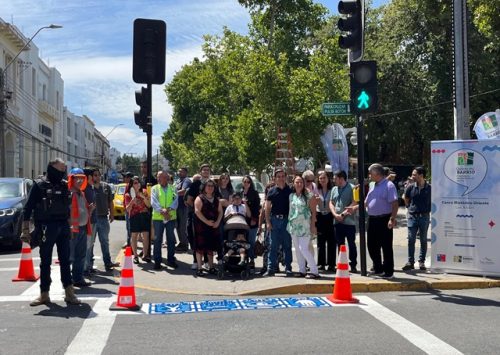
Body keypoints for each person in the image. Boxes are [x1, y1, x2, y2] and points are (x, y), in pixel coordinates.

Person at [21, 158, 80, 306]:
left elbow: (69, 209)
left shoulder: (65, 185)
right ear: (51, 168)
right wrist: (25, 230)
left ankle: (69, 293)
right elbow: (27, 208)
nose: (62, 173)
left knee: (66, 261)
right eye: (60, 170)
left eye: (64, 170)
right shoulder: (39, 186)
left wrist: (72, 226)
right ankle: (44, 294)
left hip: (63, 227)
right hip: (46, 227)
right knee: (45, 262)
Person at [362, 163, 399, 279]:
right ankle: (378, 268)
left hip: (384, 219)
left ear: (377, 174)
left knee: (386, 246)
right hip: (372, 219)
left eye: (370, 173)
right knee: (372, 245)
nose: (369, 175)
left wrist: (392, 218)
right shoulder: (373, 185)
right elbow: (366, 202)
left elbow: (395, 204)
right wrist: (353, 208)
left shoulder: (389, 186)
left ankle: (388, 271)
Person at [87, 169, 119, 272]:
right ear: (91, 177)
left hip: (103, 218)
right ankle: (89, 265)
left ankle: (107, 263)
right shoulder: (88, 188)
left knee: (105, 242)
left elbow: (110, 202)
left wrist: (112, 214)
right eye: (95, 175)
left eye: (99, 175)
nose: (97, 177)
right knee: (90, 243)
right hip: (92, 219)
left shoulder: (106, 187)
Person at [287, 175, 318, 278]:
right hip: (294, 226)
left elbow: (314, 212)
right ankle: (302, 270)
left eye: (301, 182)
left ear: (303, 183)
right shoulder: (291, 196)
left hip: (305, 226)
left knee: (303, 248)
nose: (299, 184)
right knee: (297, 249)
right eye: (297, 182)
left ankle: (314, 271)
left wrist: (313, 225)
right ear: (294, 183)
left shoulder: (309, 195)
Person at [264, 168, 293, 277]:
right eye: (278, 176)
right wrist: (267, 222)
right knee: (273, 245)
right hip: (274, 220)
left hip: (286, 220)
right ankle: (270, 268)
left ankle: (288, 268)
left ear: (285, 177)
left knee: (287, 245)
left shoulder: (290, 191)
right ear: (275, 178)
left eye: (282, 176)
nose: (281, 178)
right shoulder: (271, 191)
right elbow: (267, 208)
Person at [402, 166, 431, 271]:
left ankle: (421, 262)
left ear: (421, 176)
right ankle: (410, 262)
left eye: (414, 174)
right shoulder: (410, 187)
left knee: (423, 240)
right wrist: (408, 208)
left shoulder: (430, 188)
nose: (412, 176)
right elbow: (406, 198)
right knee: (411, 240)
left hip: (424, 217)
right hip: (412, 217)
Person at [68, 168, 94, 288]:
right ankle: (68, 281)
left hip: (82, 228)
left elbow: (82, 210)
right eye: (76, 178)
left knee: (81, 255)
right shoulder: (69, 194)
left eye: (81, 178)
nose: (79, 180)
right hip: (72, 231)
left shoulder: (81, 193)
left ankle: (78, 278)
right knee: (70, 256)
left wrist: (90, 209)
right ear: (71, 179)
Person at [193, 179, 223, 276]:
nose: (210, 187)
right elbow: (197, 211)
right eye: (208, 186)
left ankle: (211, 267)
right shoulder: (199, 198)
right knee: (200, 247)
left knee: (211, 248)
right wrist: (207, 222)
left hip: (213, 226)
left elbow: (220, 212)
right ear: (204, 187)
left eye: (212, 186)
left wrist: (217, 222)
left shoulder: (216, 199)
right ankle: (199, 268)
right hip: (201, 226)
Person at [331, 170, 358, 273]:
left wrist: (343, 214)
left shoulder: (352, 188)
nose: (334, 180)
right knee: (340, 244)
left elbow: (354, 202)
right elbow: (331, 202)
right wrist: (335, 214)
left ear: (341, 178)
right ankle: (341, 264)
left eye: (335, 178)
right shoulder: (334, 189)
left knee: (351, 244)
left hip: (349, 222)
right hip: (337, 221)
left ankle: (353, 264)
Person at [186, 164, 211, 270]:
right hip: (195, 216)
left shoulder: (212, 184)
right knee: (194, 238)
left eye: (207, 170)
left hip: (208, 217)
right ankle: (196, 260)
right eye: (204, 170)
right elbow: (189, 199)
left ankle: (206, 260)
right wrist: (197, 209)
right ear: (200, 172)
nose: (206, 172)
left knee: (207, 238)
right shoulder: (195, 184)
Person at [151, 171, 178, 270]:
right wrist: (163, 211)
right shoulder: (155, 188)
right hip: (158, 218)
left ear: (166, 178)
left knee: (171, 239)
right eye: (158, 177)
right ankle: (157, 261)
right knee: (158, 240)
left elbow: (176, 201)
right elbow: (154, 202)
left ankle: (171, 260)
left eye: (160, 177)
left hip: (170, 217)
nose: (158, 179)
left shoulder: (173, 188)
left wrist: (168, 210)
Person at [125, 176, 151, 264]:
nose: (138, 184)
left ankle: (145, 255)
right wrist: (132, 201)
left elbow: (149, 205)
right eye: (135, 183)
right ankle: (135, 256)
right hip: (134, 216)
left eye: (138, 182)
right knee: (134, 236)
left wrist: (143, 197)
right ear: (132, 185)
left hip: (144, 215)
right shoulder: (128, 195)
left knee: (146, 236)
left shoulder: (144, 192)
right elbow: (127, 209)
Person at [316, 171, 336, 272]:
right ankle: (321, 264)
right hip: (319, 216)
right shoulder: (316, 190)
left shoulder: (332, 190)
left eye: (324, 178)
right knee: (321, 242)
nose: (322, 180)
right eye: (320, 178)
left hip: (330, 216)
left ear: (328, 179)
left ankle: (332, 264)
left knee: (331, 241)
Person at [241, 175, 261, 267]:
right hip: (241, 221)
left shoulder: (254, 193)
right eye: (244, 181)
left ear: (250, 183)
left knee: (251, 242)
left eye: (248, 182)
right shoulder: (239, 193)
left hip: (252, 221)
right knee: (243, 241)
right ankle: (244, 259)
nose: (246, 183)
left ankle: (252, 260)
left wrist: (254, 219)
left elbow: (257, 208)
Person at [83, 167, 97, 276]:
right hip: (88, 221)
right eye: (93, 175)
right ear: (88, 177)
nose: (95, 178)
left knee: (90, 244)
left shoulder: (90, 188)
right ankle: (85, 268)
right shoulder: (85, 189)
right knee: (87, 245)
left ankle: (87, 266)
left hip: (93, 220)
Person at [175, 167, 191, 252]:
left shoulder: (187, 180)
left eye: (181, 171)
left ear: (186, 172)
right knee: (177, 226)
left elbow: (184, 191)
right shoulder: (178, 181)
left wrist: (173, 193)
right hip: (176, 206)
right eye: (179, 171)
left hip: (183, 207)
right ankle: (181, 243)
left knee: (182, 227)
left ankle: (185, 244)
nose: (179, 173)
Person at [123, 171, 133, 247]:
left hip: (131, 210)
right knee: (128, 228)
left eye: (126, 177)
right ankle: (129, 243)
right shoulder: (127, 186)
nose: (124, 178)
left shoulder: (131, 187)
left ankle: (130, 245)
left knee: (130, 228)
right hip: (127, 209)